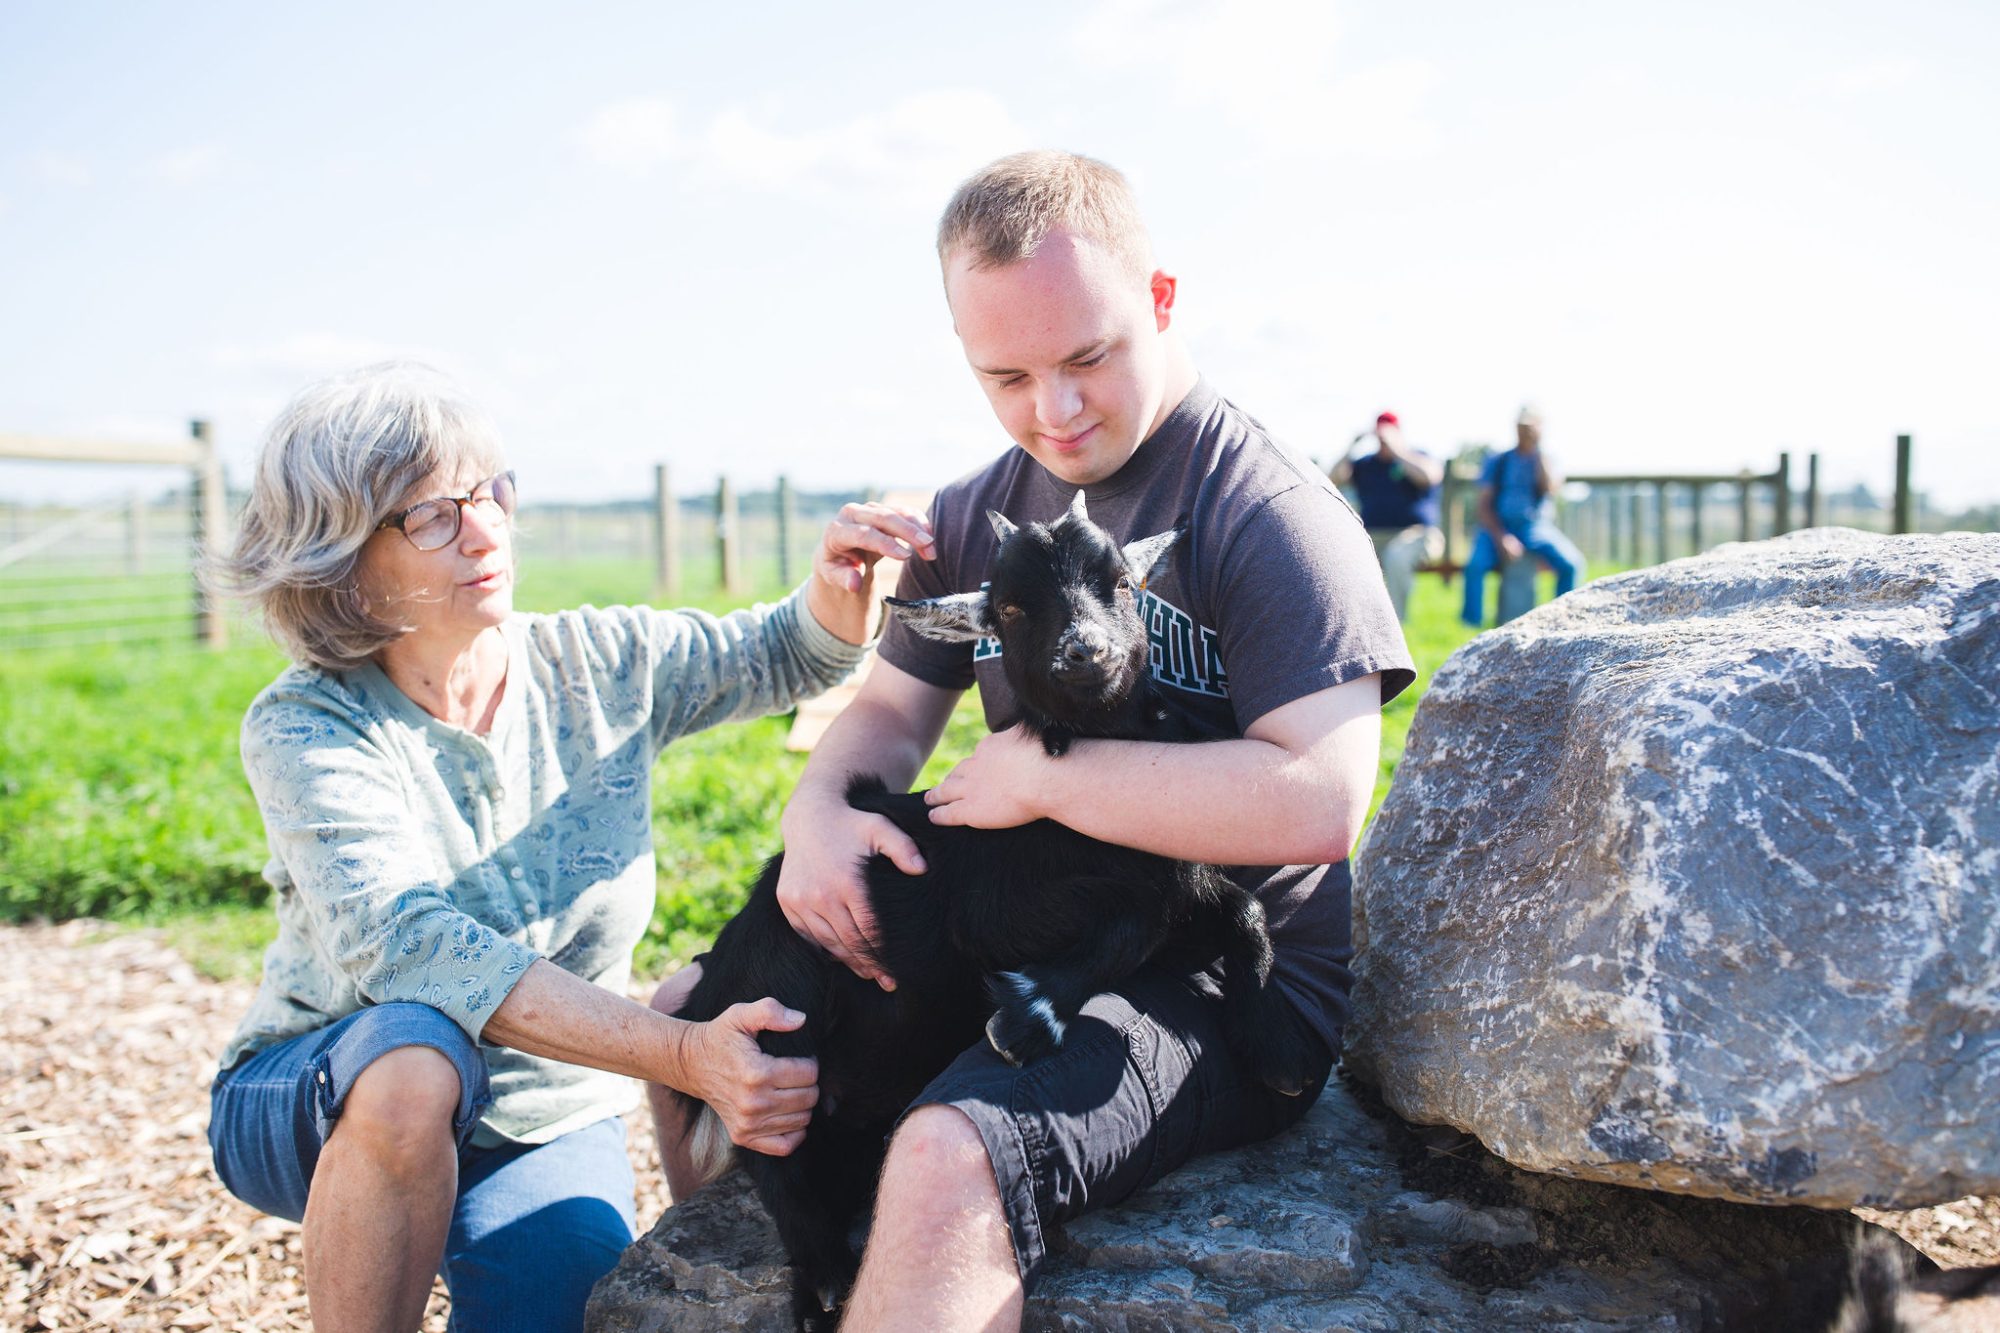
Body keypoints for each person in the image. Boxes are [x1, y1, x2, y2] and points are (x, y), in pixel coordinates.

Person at [656, 149, 1414, 1328]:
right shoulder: (975, 515)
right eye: (1004, 374)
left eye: (1086, 358)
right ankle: (766, 1272)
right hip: (1032, 922)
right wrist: (817, 818)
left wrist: (1039, 778)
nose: (1051, 410)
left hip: (1213, 971)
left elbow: (1317, 802)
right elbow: (884, 720)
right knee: (694, 1008)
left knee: (948, 1155)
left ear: (1158, 303)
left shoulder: (1269, 518)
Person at [201, 361, 934, 1333]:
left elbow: (778, 653)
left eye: (489, 490)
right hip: (318, 1084)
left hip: (543, 1115)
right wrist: (682, 1052)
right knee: (418, 1057)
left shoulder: (597, 664)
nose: (484, 528)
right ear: (341, 556)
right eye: (429, 514)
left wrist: (836, 590)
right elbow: (411, 946)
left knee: (571, 1311)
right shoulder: (307, 725)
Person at [1459, 403, 1586, 627]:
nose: (1525, 432)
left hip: (1535, 527)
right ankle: (1471, 624)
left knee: (1572, 564)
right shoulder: (1498, 461)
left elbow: (1550, 488)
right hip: (1498, 526)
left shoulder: (1547, 459)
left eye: (1530, 427)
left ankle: (1563, 622)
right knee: (1475, 566)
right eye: (1521, 426)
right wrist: (1502, 538)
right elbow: (1484, 506)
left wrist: (1537, 450)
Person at [1331, 410, 1445, 621]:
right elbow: (1333, 479)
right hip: (1373, 536)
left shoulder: (1418, 456)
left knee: (1397, 556)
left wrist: (1397, 450)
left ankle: (1394, 624)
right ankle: (1354, 623)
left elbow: (1430, 477)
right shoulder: (1365, 465)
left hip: (1418, 535)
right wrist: (1352, 445)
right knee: (1341, 558)